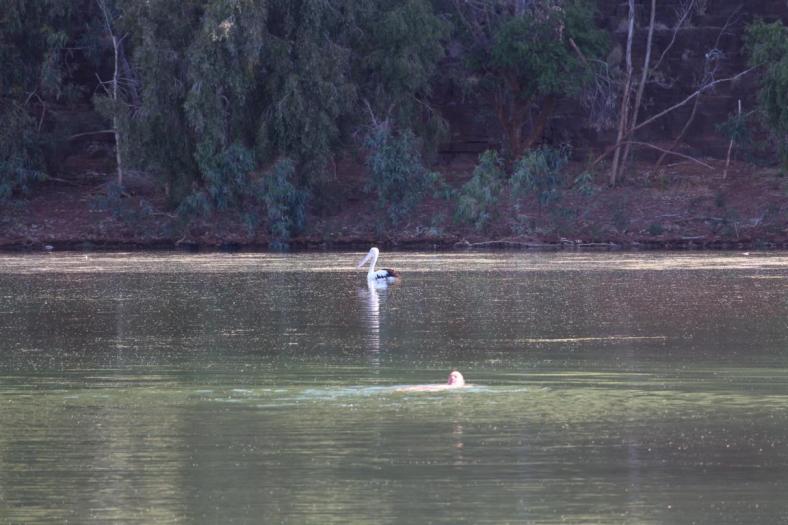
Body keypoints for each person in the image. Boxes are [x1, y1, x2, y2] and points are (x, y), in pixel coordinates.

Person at [397, 369, 468, 392]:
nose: (452, 378)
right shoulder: (444, 386)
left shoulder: (465, 388)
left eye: (455, 377)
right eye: (450, 376)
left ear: (462, 381)